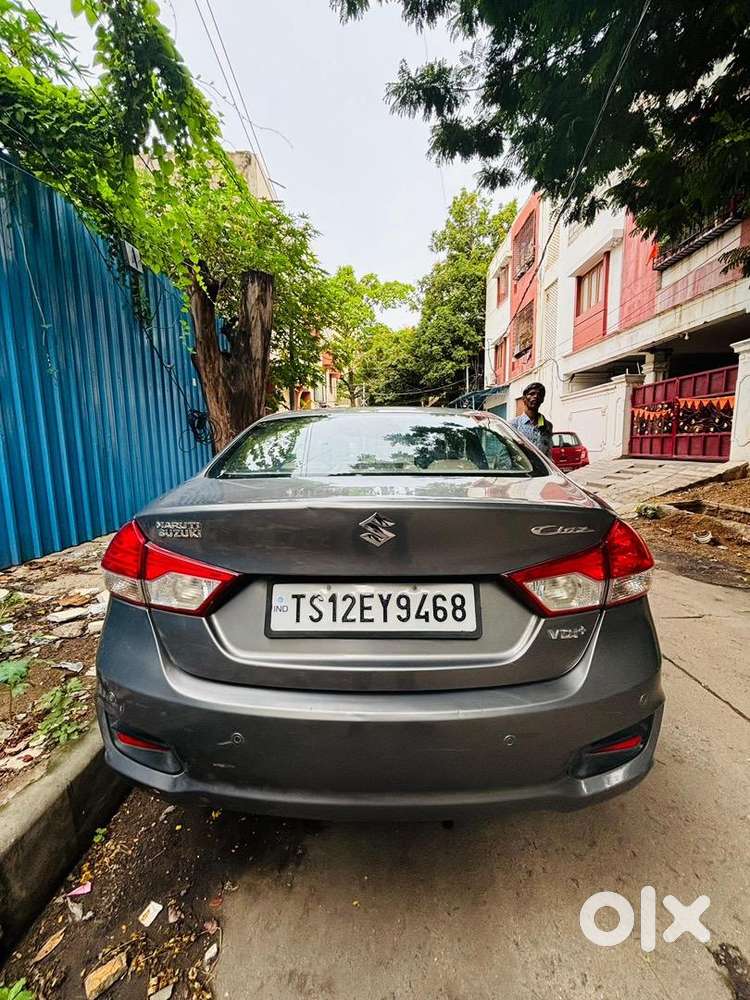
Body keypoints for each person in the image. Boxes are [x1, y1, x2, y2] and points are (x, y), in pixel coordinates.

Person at [510, 382, 553, 456]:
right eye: (532, 394)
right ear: (524, 398)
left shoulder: (547, 426)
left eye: (540, 394)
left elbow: (548, 452)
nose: (536, 396)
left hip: (541, 467)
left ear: (542, 400)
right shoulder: (514, 425)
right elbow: (506, 454)